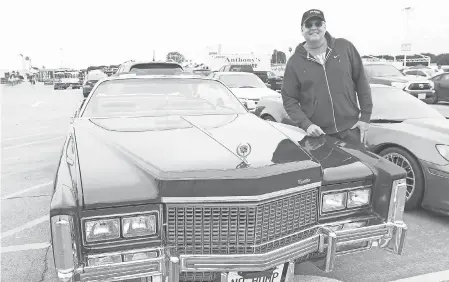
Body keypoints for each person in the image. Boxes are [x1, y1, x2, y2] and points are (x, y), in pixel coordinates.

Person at [281, 9, 373, 147]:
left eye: (318, 23)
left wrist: (365, 117)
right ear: (302, 30)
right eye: (308, 25)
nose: (313, 28)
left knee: (357, 169)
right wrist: (307, 125)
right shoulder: (295, 62)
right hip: (318, 136)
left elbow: (361, 82)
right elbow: (288, 99)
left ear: (324, 26)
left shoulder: (344, 47)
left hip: (351, 130)